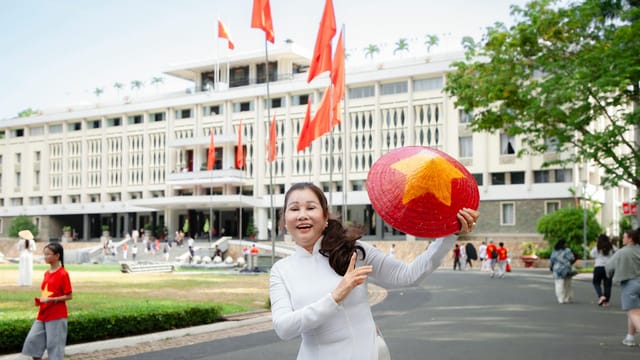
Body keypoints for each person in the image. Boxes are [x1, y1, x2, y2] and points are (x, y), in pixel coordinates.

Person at [269, 182, 480, 359]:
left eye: (311, 207)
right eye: (294, 209)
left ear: (325, 218)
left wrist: (449, 236)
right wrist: (335, 297)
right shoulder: (281, 270)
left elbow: (407, 275)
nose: (302, 215)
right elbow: (284, 328)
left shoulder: (353, 251)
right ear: (284, 221)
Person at [21, 242, 73, 360]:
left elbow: (69, 296)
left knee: (54, 348)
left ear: (57, 256)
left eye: (48, 254)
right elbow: (47, 291)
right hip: (43, 314)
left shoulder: (63, 274)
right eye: (44, 254)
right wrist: (41, 301)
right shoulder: (47, 273)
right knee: (33, 341)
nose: (45, 257)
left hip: (57, 315)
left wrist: (52, 299)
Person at [606, 228, 640, 347]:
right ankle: (630, 337)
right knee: (636, 310)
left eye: (624, 236)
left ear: (630, 238)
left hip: (630, 283)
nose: (623, 238)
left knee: (632, 311)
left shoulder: (622, 252)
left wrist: (609, 276)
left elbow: (609, 266)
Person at [590, 234, 616, 307]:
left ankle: (601, 296)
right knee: (607, 285)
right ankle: (606, 302)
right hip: (609, 267)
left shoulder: (597, 247)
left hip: (598, 267)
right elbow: (617, 254)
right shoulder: (612, 247)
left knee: (596, 282)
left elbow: (591, 254)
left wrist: (598, 257)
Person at [549, 239, 576, 304]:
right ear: (564, 244)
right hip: (566, 269)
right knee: (567, 285)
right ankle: (568, 298)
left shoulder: (554, 251)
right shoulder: (567, 250)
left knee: (559, 284)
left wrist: (551, 268)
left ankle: (560, 299)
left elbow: (551, 260)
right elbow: (572, 258)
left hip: (557, 270)